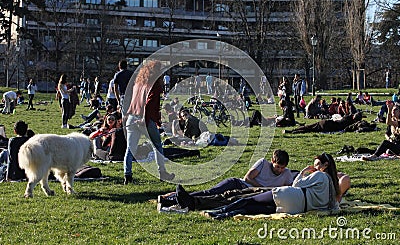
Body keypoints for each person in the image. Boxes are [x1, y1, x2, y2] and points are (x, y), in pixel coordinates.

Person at [203, 153, 340, 220]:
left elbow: (297, 184)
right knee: (260, 209)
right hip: (298, 208)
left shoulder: (320, 176)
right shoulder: (333, 185)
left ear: (325, 165)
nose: (315, 167)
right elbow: (334, 205)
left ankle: (219, 212)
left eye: (317, 164)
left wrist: (304, 172)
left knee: (249, 200)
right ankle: (228, 214)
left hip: (292, 195)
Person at [159, 150, 293, 211]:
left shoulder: (287, 174)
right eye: (277, 167)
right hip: (240, 184)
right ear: (272, 161)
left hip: (248, 193)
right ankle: (171, 199)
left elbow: (290, 189)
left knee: (216, 198)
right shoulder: (263, 163)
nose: (279, 170)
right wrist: (261, 188)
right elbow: (248, 178)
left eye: (282, 168)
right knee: (210, 192)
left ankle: (173, 200)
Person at [124, 60, 174, 184]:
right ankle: (162, 172)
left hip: (132, 116)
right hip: (144, 120)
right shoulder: (155, 85)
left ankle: (127, 175)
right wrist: (145, 120)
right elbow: (149, 104)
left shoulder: (138, 83)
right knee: (157, 146)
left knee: (130, 148)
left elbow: (132, 100)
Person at [283, 112, 363, 134]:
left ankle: (291, 131)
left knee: (308, 127)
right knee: (309, 130)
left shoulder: (346, 117)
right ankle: (293, 132)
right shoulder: (350, 124)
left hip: (327, 122)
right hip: (328, 127)